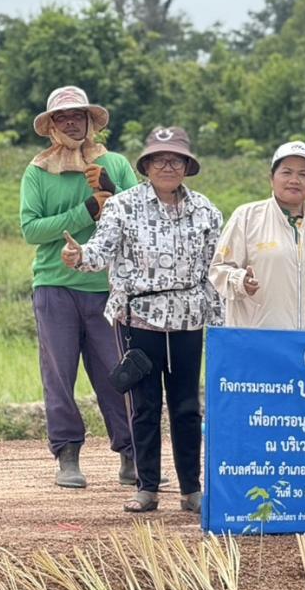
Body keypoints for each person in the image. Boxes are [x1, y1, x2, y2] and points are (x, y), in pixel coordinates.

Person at [61, 127, 223, 513]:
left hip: (187, 318)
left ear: (187, 166)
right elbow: (100, 251)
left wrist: (221, 320)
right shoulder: (122, 206)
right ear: (147, 165)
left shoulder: (207, 211)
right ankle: (147, 486)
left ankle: (191, 489)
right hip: (138, 319)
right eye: (159, 159)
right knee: (145, 404)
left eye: (176, 159)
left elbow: (215, 270)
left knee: (186, 406)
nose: (168, 166)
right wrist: (80, 255)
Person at [19, 86, 139, 490]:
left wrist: (114, 193)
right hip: (54, 285)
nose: (71, 122)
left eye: (78, 115)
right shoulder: (37, 171)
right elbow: (31, 229)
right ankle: (67, 455)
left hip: (107, 286)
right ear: (51, 126)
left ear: (90, 121)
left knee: (116, 372)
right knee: (59, 373)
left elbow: (140, 220)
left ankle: (130, 453)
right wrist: (87, 209)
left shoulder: (115, 164)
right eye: (63, 117)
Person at [209, 141, 305, 332]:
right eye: (286, 172)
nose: (295, 180)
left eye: (303, 174)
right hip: (257, 341)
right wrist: (240, 280)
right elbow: (218, 269)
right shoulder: (247, 217)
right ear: (272, 178)